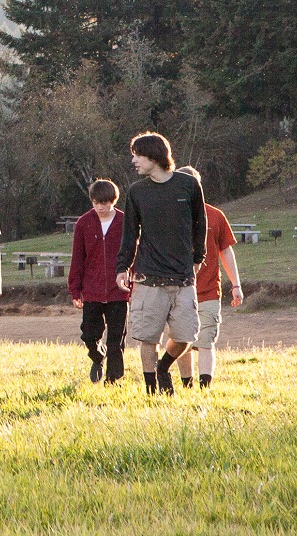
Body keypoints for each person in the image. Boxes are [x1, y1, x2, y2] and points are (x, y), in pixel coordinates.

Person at [115, 131, 207, 395]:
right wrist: (123, 267)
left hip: (182, 277)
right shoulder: (137, 191)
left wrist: (198, 257)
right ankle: (151, 391)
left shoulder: (188, 185)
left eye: (138, 155)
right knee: (147, 338)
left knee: (185, 336)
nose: (134, 161)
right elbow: (130, 233)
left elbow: (200, 224)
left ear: (154, 156)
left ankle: (164, 367)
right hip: (148, 278)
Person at [171, 166, 244, 388]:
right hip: (177, 289)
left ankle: (205, 385)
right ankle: (187, 382)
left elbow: (226, 251)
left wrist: (236, 285)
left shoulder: (215, 215)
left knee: (205, 340)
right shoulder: (169, 215)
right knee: (182, 339)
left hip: (209, 290)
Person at [68, 178, 130, 383]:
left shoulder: (124, 221)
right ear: (92, 201)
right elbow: (77, 257)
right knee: (89, 335)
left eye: (105, 203)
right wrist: (75, 290)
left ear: (113, 200)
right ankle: (97, 357)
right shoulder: (84, 223)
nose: (101, 207)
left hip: (119, 291)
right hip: (92, 290)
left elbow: (134, 253)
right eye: (96, 203)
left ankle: (114, 380)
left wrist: (134, 281)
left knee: (116, 339)